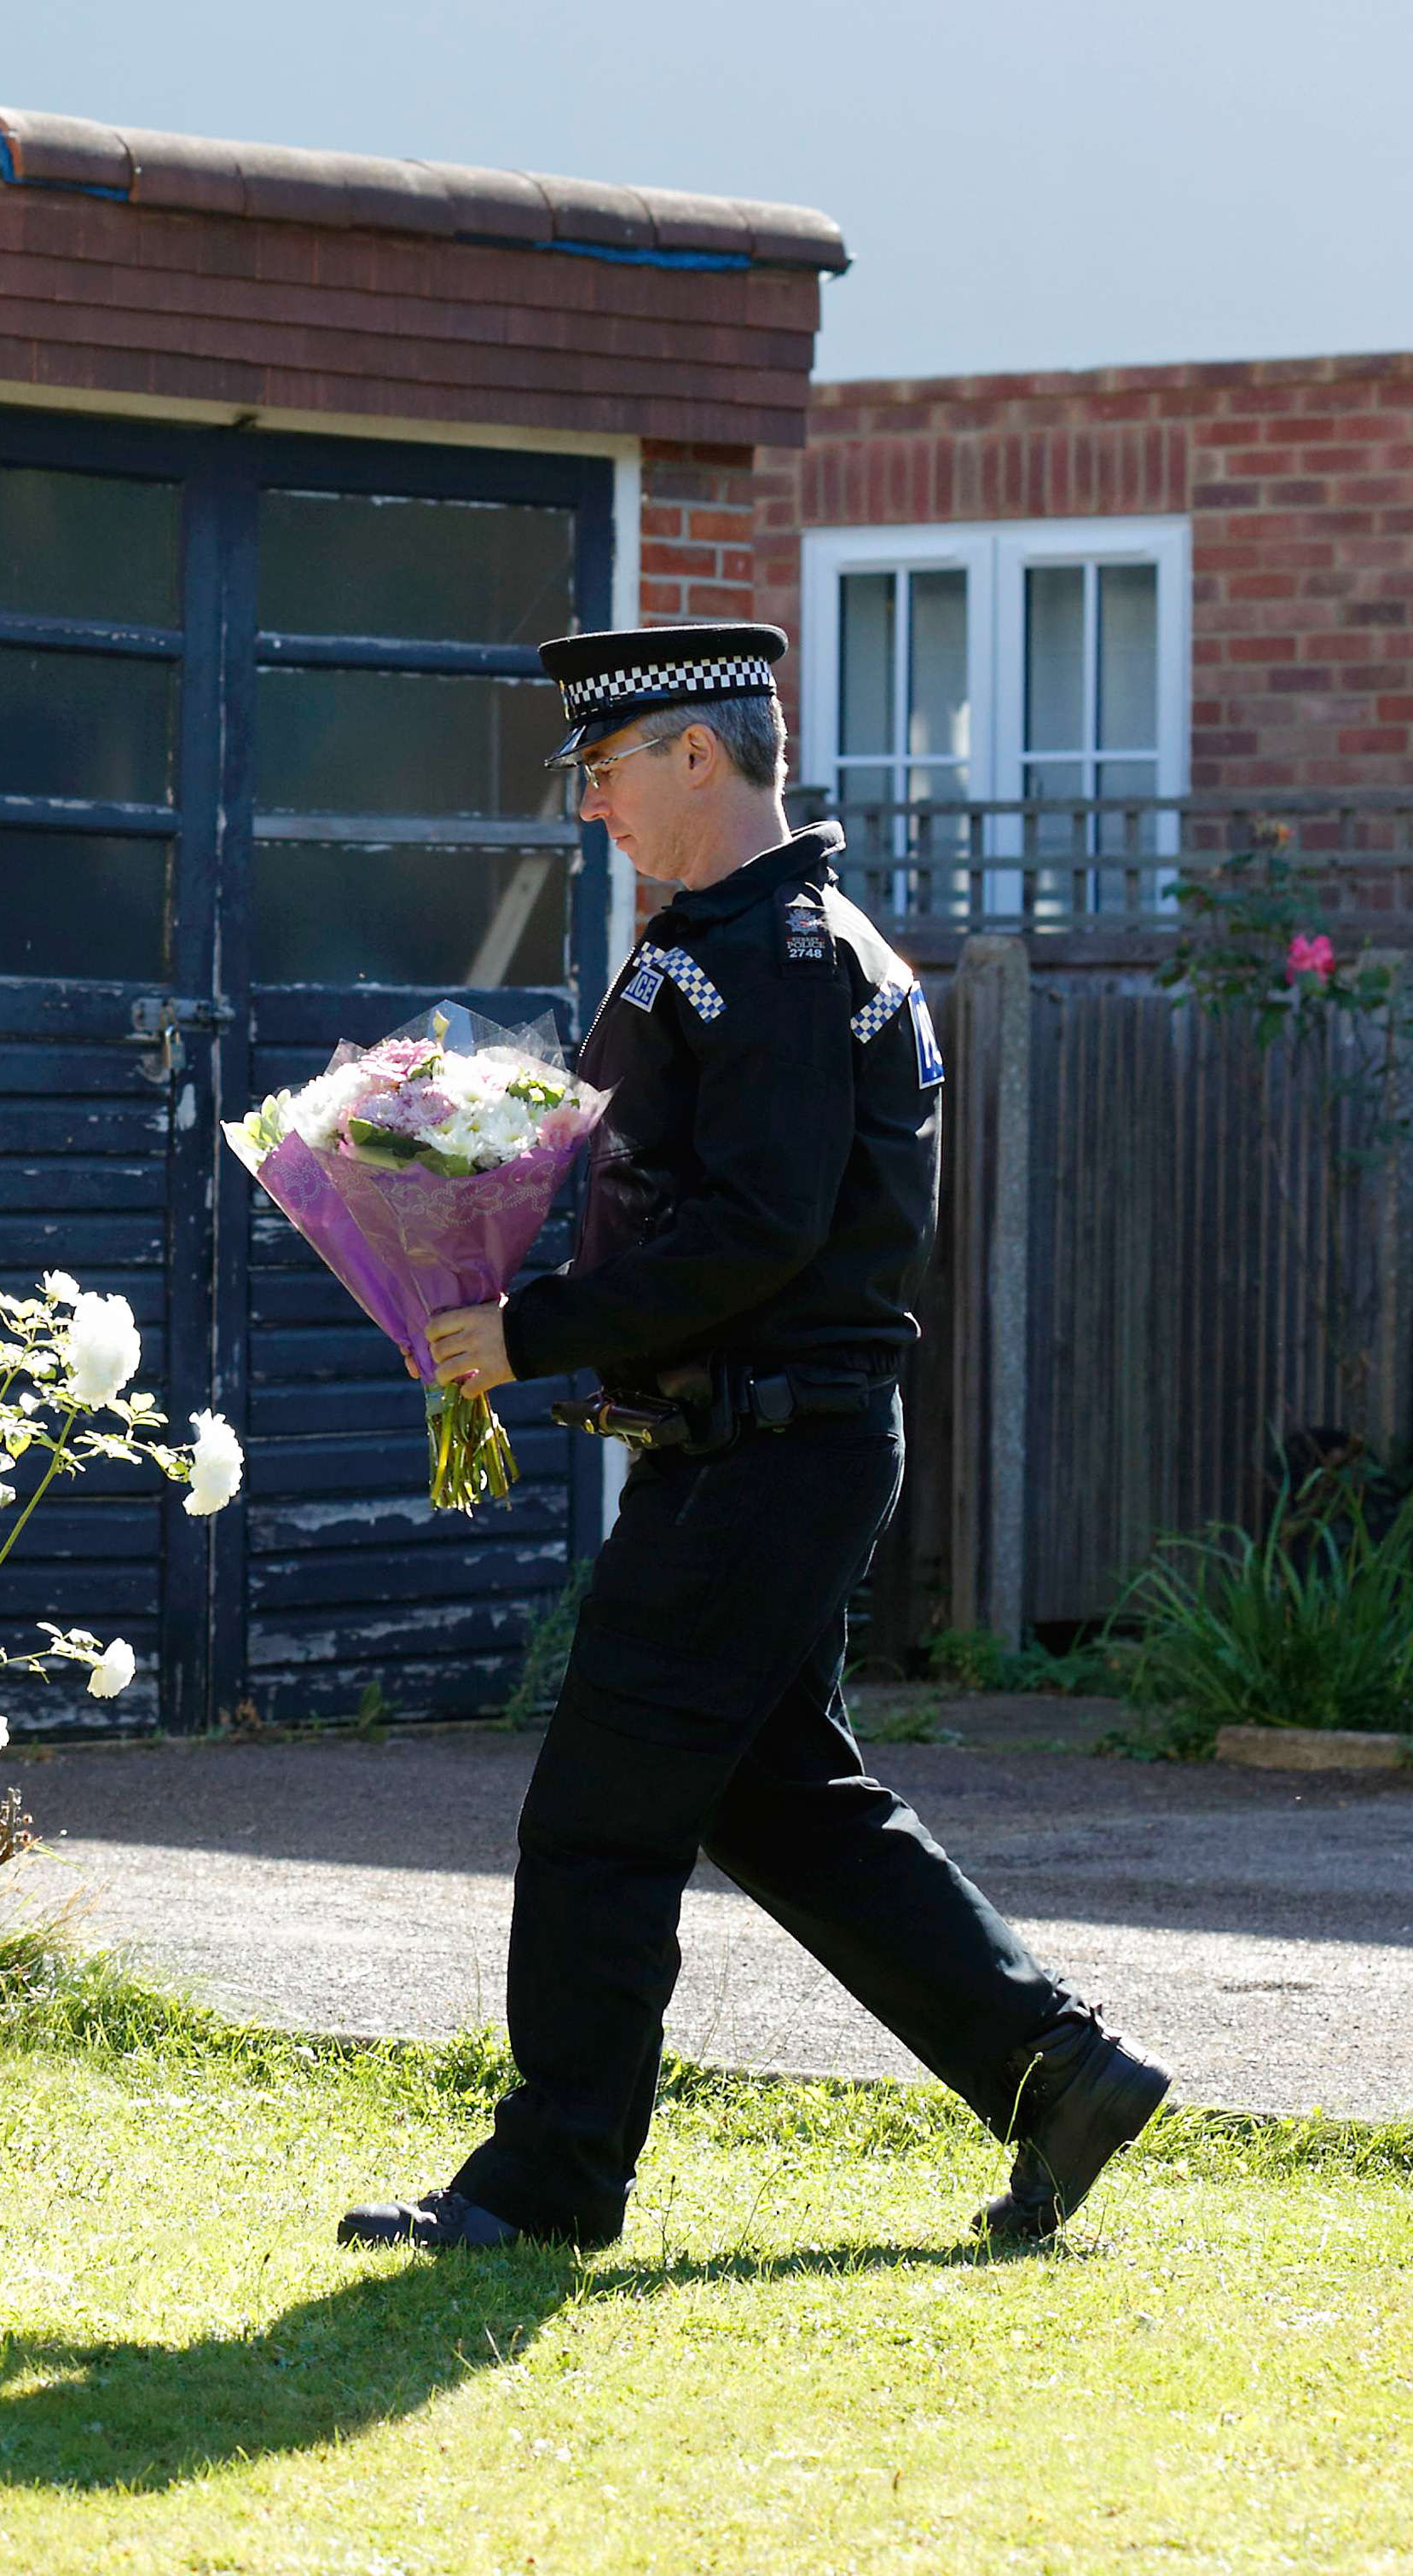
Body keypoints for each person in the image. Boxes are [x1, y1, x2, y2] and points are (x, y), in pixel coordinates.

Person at [335, 622, 1168, 2255]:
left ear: (698, 755)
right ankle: (1059, 2073)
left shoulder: (775, 957)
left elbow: (758, 1230)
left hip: (761, 1454)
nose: (593, 805)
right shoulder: (774, 942)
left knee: (600, 1812)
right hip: (781, 1445)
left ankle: (548, 2184)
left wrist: (530, 1330)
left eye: (605, 769)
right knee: (781, 1799)